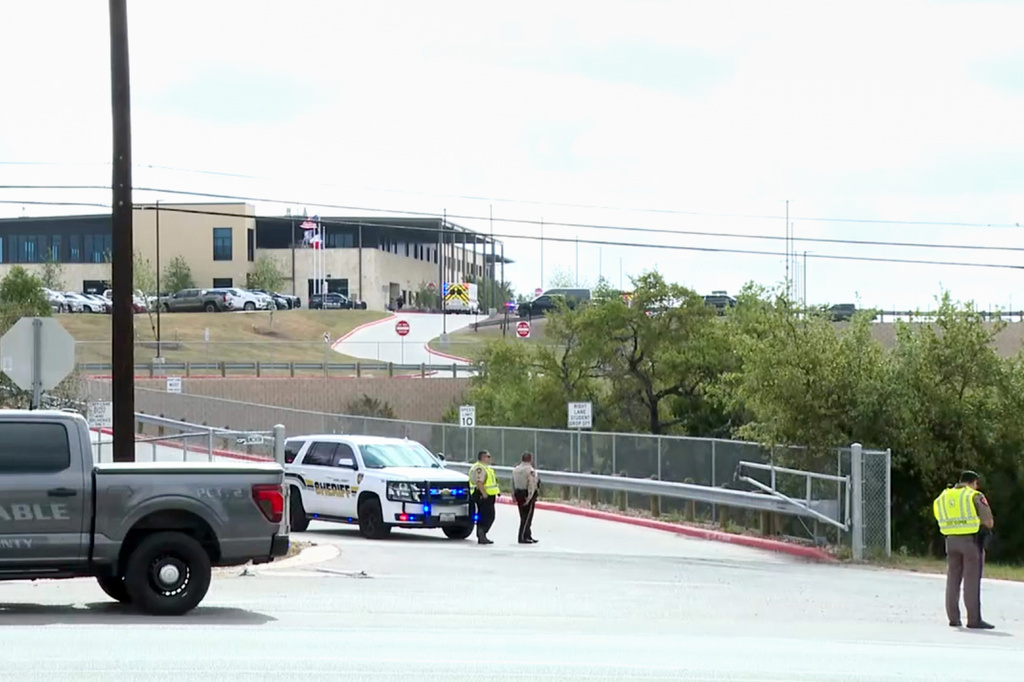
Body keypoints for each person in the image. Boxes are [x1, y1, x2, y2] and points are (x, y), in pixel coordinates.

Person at [933, 470, 995, 629]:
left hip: (950, 541)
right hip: (971, 542)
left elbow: (938, 515)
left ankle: (953, 618)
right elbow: (988, 521)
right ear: (973, 482)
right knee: (971, 580)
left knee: (953, 579)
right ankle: (974, 620)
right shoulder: (974, 495)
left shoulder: (943, 496)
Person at [468, 450, 500, 545]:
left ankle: (482, 534)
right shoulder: (479, 468)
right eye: (488, 456)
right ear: (483, 457)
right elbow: (479, 482)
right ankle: (481, 534)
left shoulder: (486, 468)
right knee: (487, 516)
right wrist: (484, 493)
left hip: (488, 495)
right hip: (482, 495)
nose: (490, 458)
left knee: (487, 515)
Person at [512, 452, 539, 544]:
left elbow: (513, 483)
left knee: (523, 515)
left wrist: (513, 494)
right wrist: (530, 497)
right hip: (526, 493)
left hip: (518, 493)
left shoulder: (516, 469)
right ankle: (522, 537)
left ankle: (528, 534)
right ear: (530, 459)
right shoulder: (530, 470)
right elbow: (531, 484)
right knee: (527, 517)